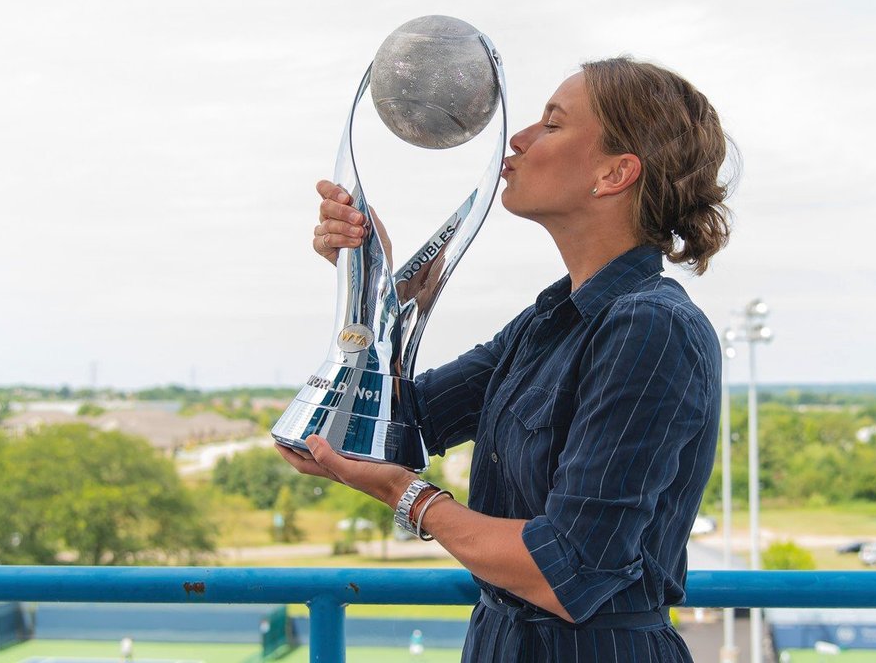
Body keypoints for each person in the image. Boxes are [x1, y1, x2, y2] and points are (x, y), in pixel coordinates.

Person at [277, 56, 733, 662]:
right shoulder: (546, 322)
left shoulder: (650, 328)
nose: (517, 138)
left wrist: (408, 498)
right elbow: (384, 430)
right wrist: (369, 290)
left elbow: (566, 570)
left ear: (615, 173)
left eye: (551, 124)